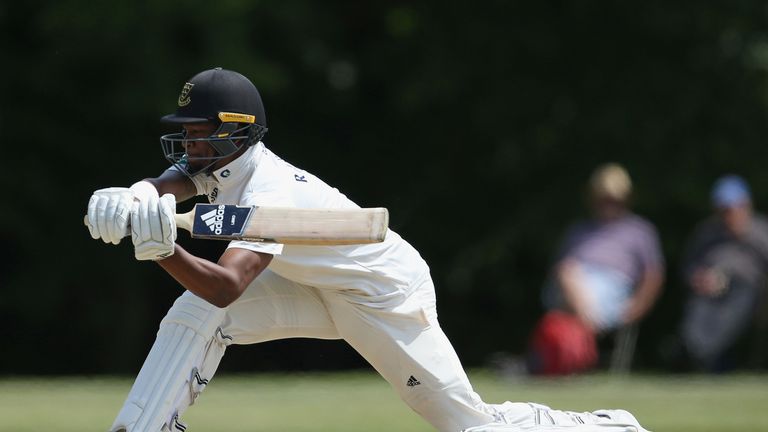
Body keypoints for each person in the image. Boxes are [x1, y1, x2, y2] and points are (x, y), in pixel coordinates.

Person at [86, 67, 651, 432]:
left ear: (235, 132)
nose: (187, 143)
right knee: (194, 314)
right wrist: (137, 195)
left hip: (380, 294)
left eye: (197, 132)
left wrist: (162, 251)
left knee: (471, 426)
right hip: (311, 284)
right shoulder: (218, 163)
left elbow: (228, 284)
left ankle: (605, 427)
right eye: (184, 131)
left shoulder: (271, 192)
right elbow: (179, 181)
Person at [530, 163, 665, 375]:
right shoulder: (578, 230)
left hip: (612, 291)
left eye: (614, 199)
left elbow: (653, 276)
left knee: (568, 273)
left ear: (626, 199)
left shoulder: (639, 230)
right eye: (603, 198)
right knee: (567, 273)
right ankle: (583, 338)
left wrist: (636, 309)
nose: (608, 204)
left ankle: (575, 351)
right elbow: (556, 271)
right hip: (567, 289)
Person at [674, 174, 768, 372]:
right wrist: (696, 278)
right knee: (695, 318)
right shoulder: (707, 232)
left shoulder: (761, 232)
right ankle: (693, 352)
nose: (728, 215)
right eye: (723, 209)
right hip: (708, 287)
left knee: (731, 312)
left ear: (746, 205)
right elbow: (688, 266)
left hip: (747, 290)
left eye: (732, 208)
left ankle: (706, 358)